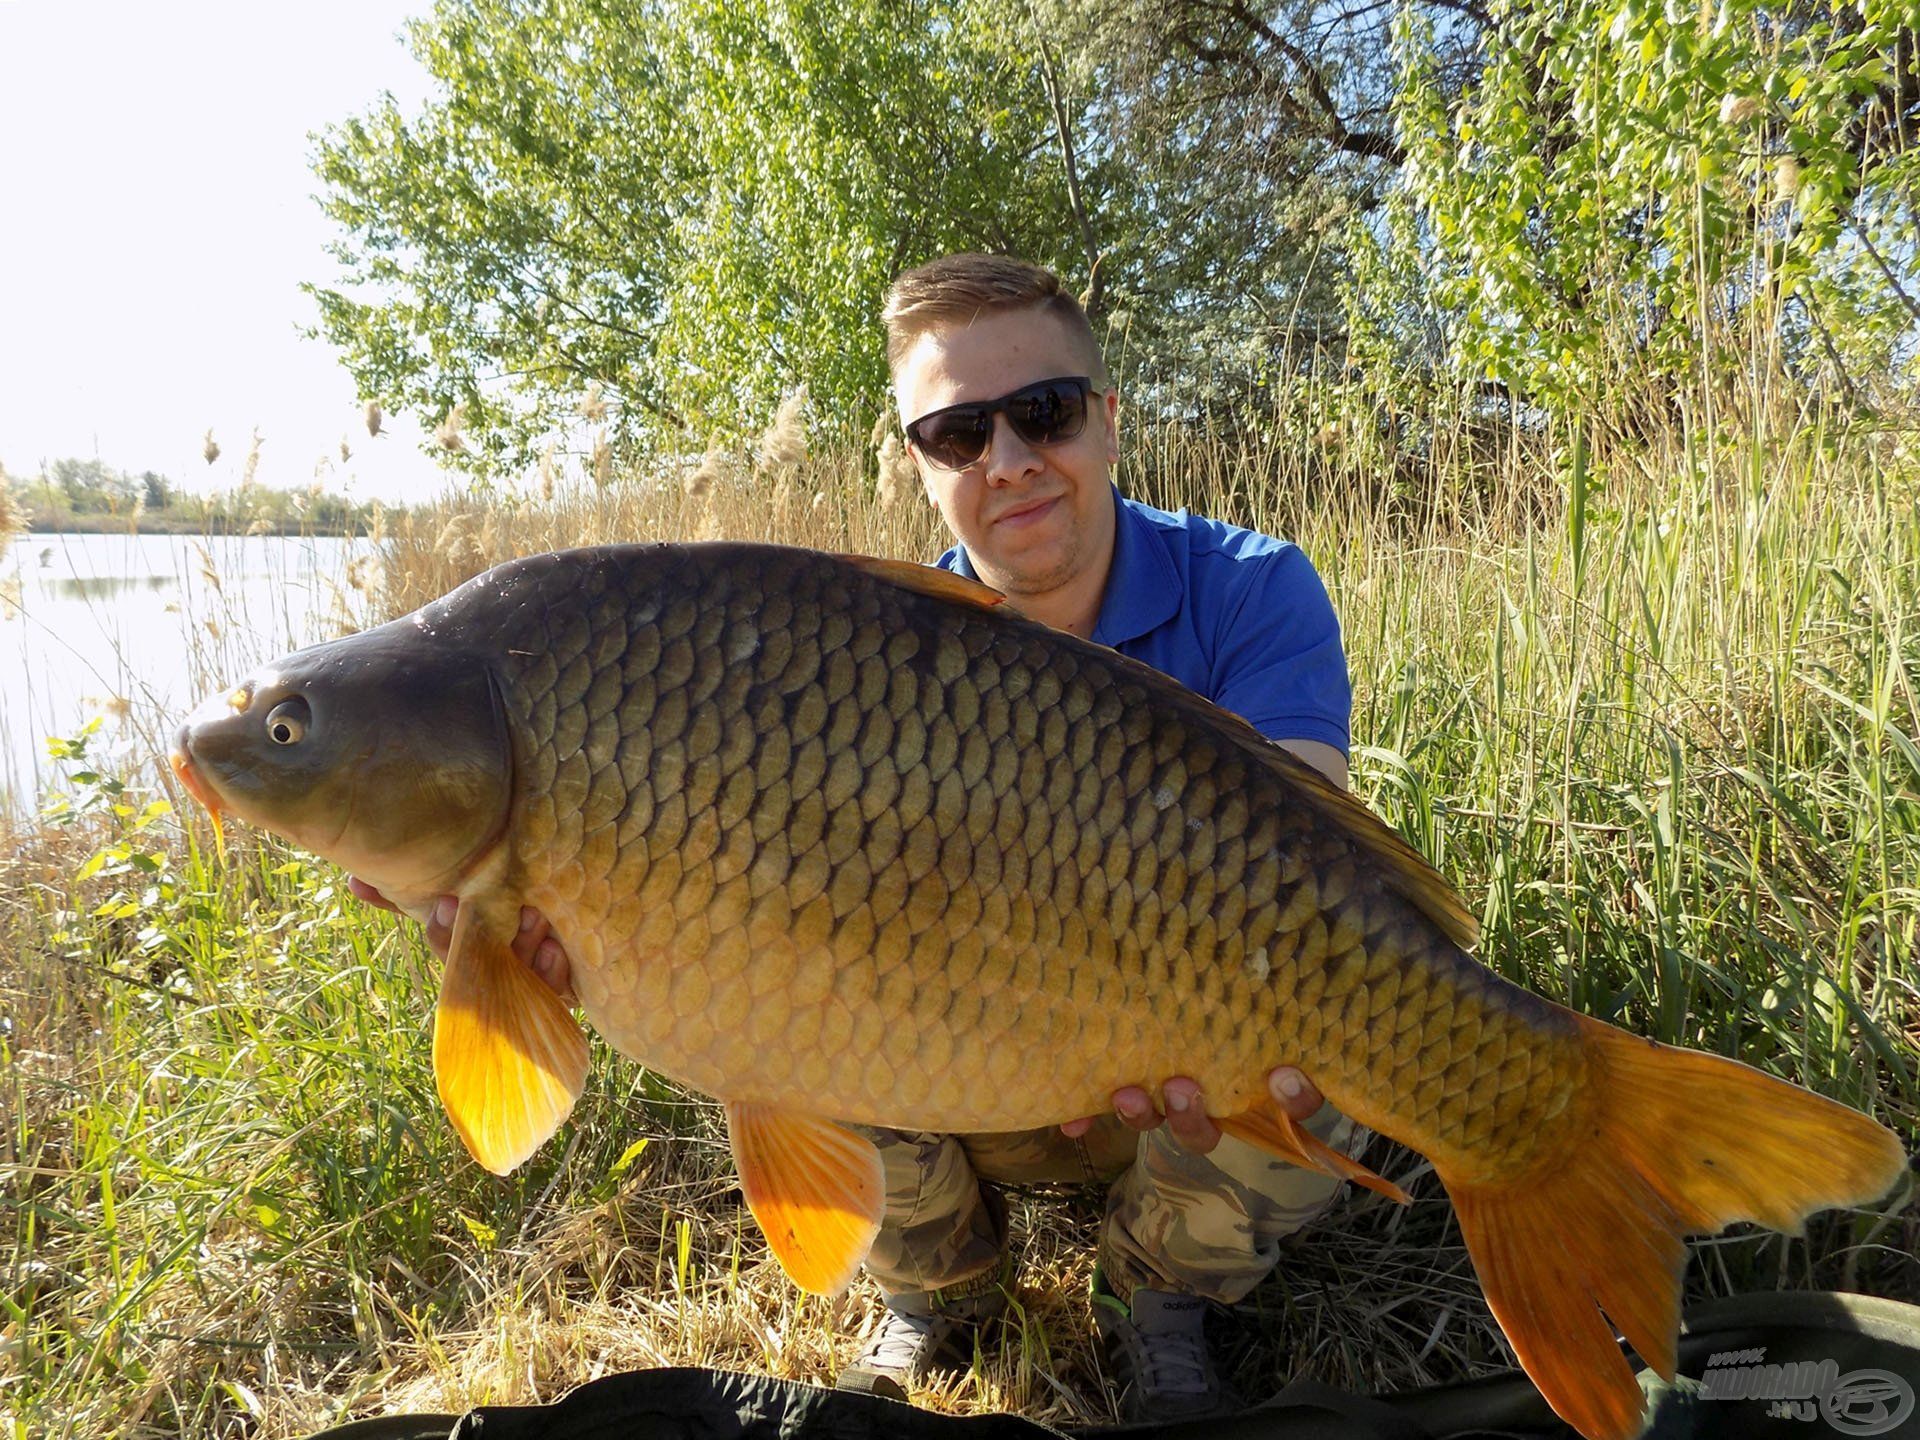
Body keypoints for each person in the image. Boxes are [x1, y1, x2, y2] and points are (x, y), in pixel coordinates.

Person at [352, 251, 1366, 1423]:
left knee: (1336, 1021)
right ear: (918, 462)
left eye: (1045, 413)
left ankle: (1161, 1291)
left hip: (1174, 1047)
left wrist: (1180, 996)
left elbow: (1309, 853)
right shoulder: (859, 642)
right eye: (957, 434)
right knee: (798, 983)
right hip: (960, 1052)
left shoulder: (1252, 586)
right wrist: (581, 929)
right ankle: (945, 1290)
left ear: (1109, 419)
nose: (1010, 461)